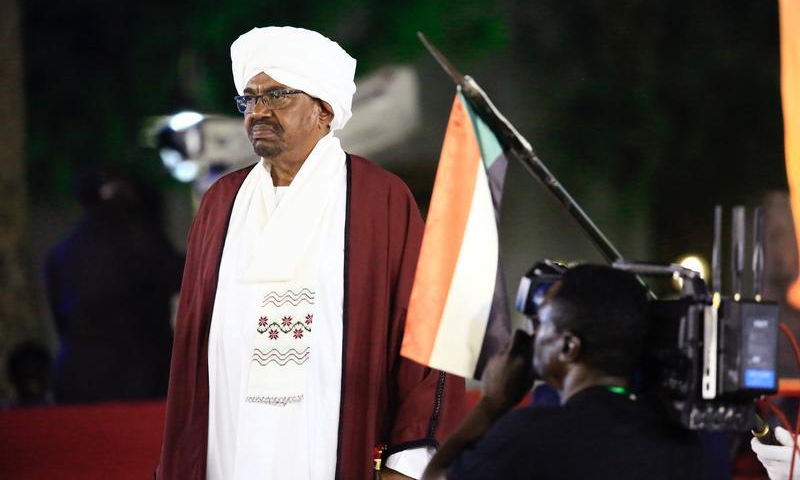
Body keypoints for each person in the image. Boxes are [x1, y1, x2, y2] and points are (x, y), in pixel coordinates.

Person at [156, 26, 465, 480]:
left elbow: (426, 333)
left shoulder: (378, 199)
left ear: (324, 108)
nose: (258, 111)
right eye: (249, 98)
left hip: (332, 442)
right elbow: (193, 343)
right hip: (231, 436)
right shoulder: (221, 202)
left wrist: (408, 460)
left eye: (278, 95)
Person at [423, 264, 704, 480]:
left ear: (569, 347)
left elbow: (437, 476)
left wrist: (491, 404)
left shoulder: (528, 436)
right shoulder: (684, 444)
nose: (530, 335)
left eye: (541, 321)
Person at [45, 166, 182, 402]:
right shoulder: (141, 239)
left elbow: (61, 319)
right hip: (137, 379)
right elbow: (185, 277)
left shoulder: (62, 252)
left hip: (77, 377)